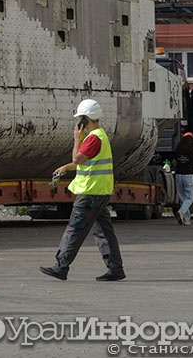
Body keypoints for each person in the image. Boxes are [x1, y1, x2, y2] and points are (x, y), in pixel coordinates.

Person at [40, 99, 125, 282]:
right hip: (100, 191)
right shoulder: (101, 136)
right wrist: (66, 168)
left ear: (85, 119)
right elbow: (86, 162)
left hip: (90, 193)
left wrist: (76, 139)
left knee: (75, 229)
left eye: (80, 119)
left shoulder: (92, 138)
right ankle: (115, 268)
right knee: (103, 230)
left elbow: (78, 158)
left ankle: (61, 266)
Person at [173, 131, 193, 225]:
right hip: (188, 175)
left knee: (182, 197)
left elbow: (174, 163)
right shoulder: (192, 151)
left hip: (179, 175)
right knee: (190, 197)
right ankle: (181, 212)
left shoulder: (178, 150)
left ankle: (186, 219)